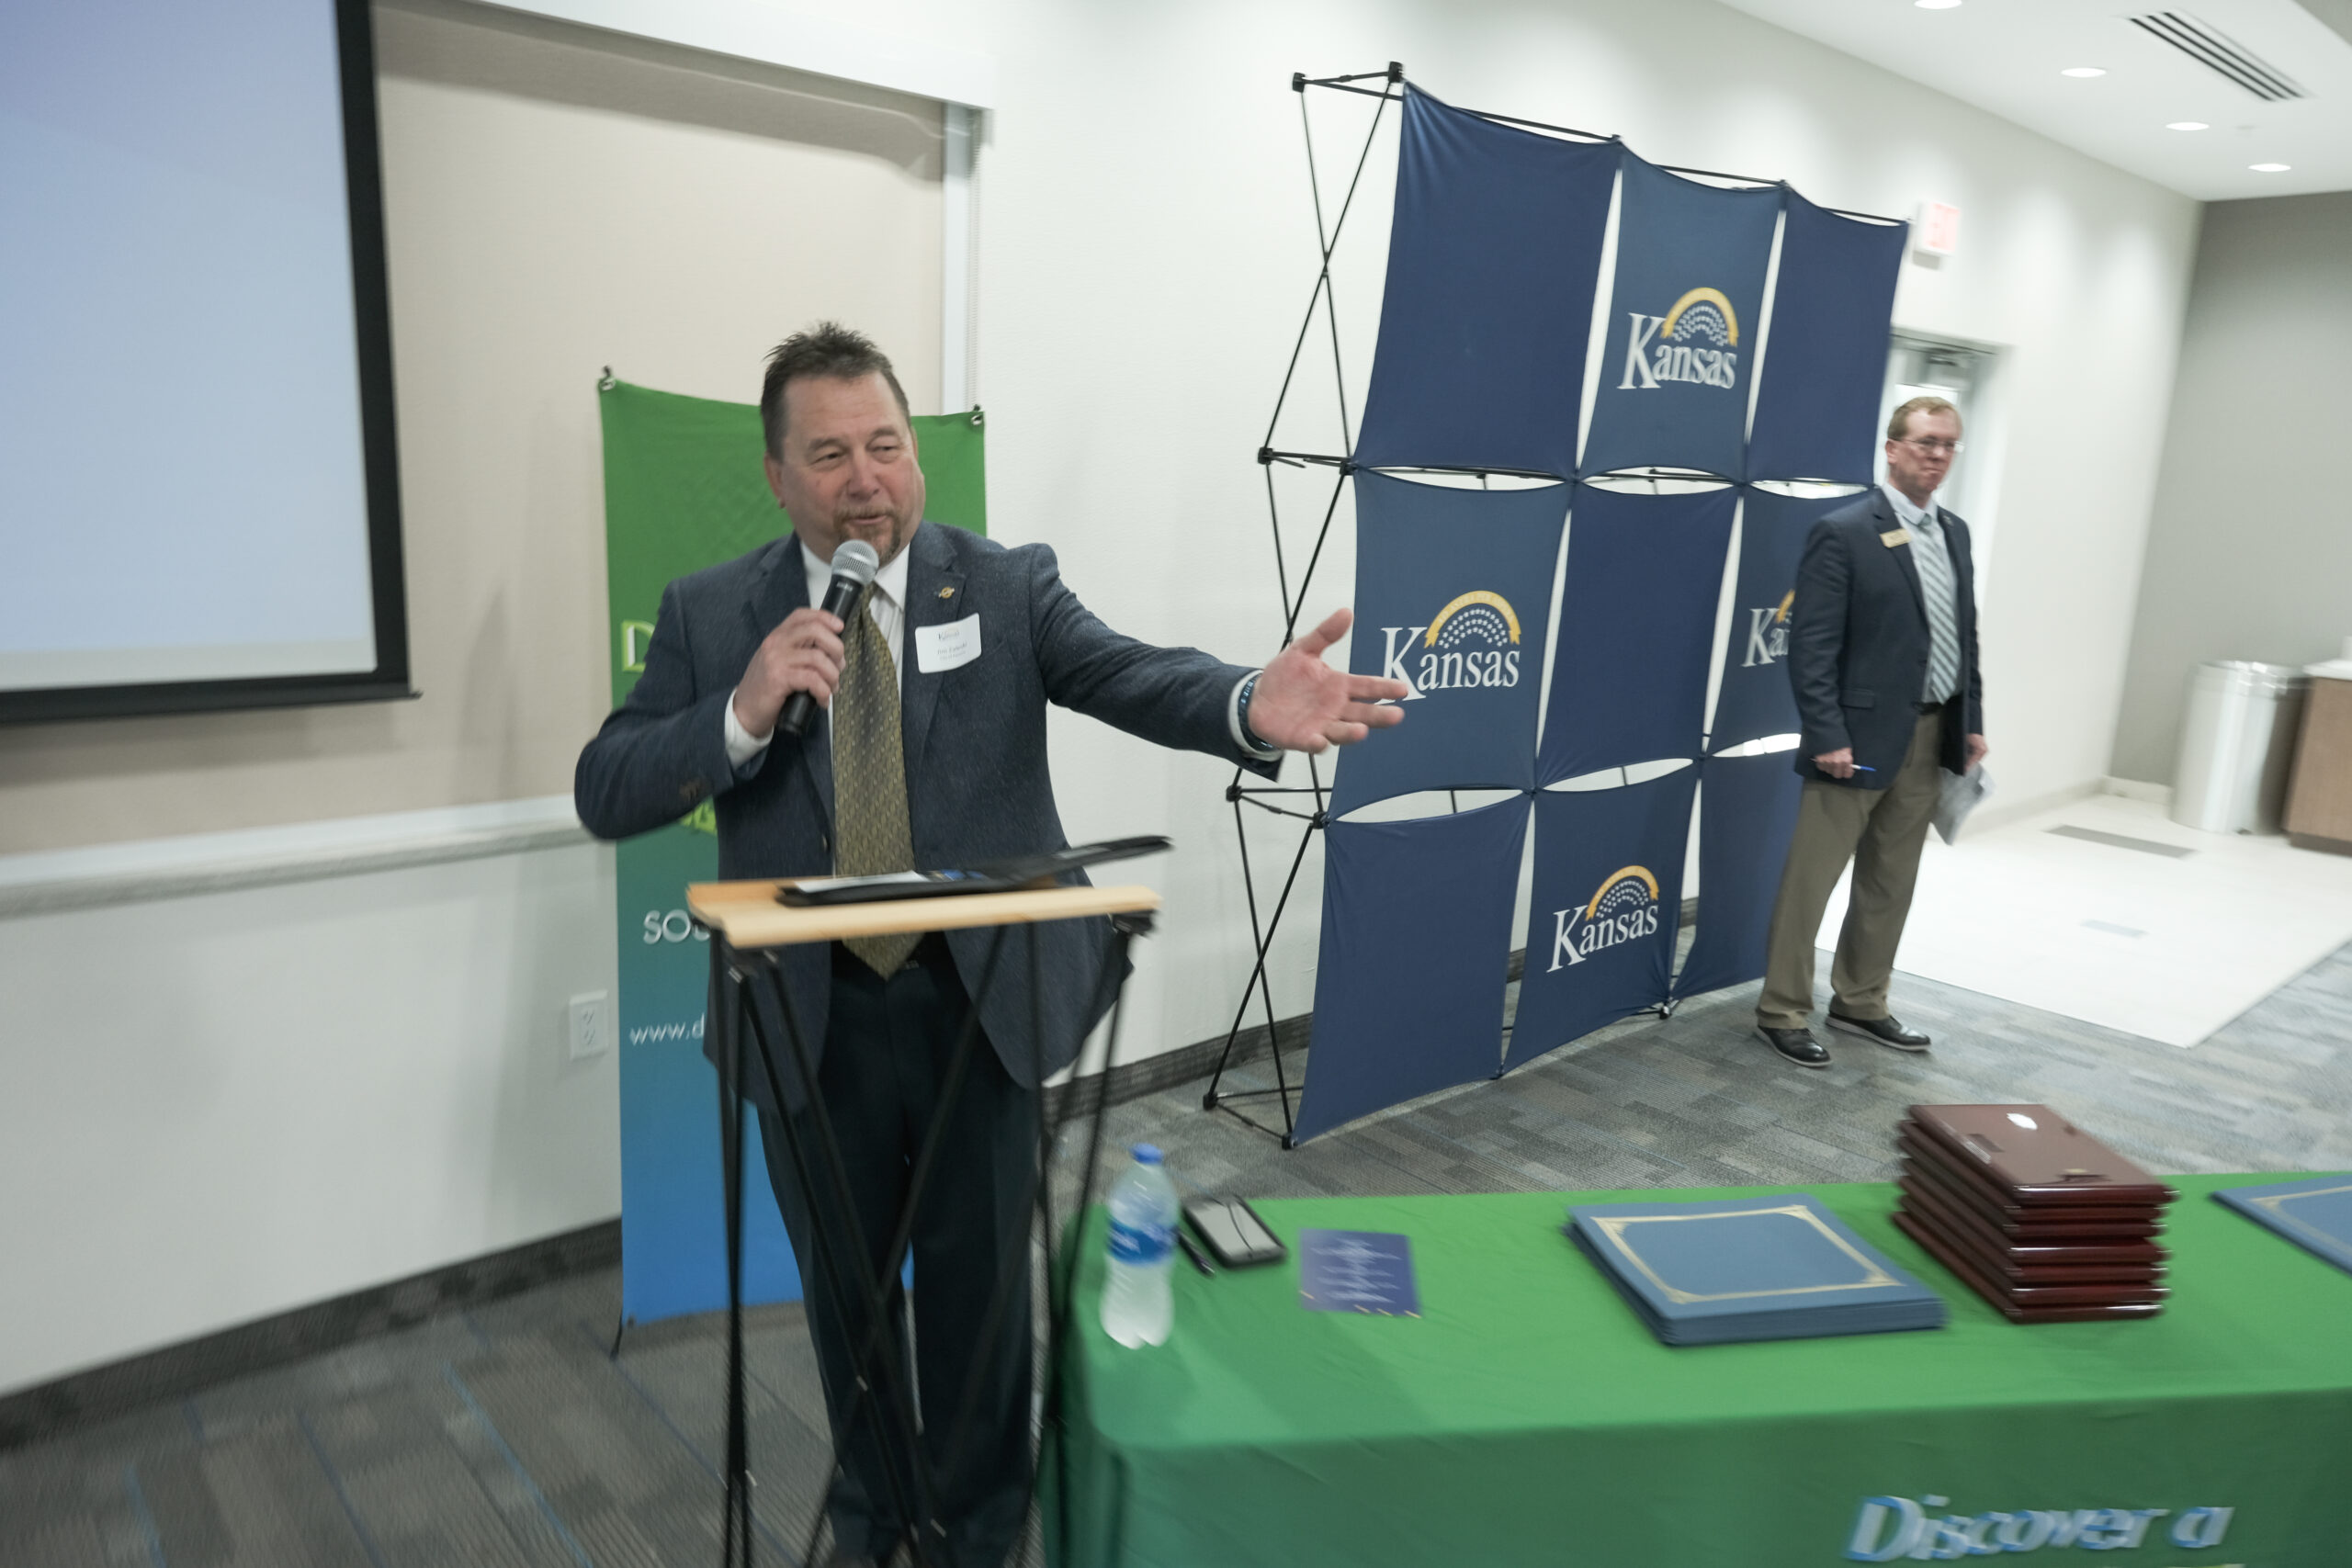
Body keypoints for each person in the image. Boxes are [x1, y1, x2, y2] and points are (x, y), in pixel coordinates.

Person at [572, 322, 1405, 1568]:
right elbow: (607, 785)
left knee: (982, 1297)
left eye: (886, 445)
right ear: (778, 475)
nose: (867, 479)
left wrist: (1244, 701)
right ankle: (874, 1518)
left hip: (979, 1001)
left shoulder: (1005, 585)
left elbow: (1129, 672)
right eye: (830, 455)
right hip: (808, 1015)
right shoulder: (711, 611)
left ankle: (979, 1528)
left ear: (915, 452)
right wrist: (740, 710)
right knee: (848, 1297)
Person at [1753, 395, 1988, 1069]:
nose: (1936, 455)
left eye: (1947, 444)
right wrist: (1827, 732)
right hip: (1851, 744)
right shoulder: (1845, 531)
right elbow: (1812, 647)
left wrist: (1971, 722)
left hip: (1932, 732)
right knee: (1811, 882)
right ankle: (1781, 1010)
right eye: (1924, 442)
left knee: (1892, 880)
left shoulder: (1955, 532)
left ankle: (1860, 999)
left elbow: (1963, 636)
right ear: (1892, 449)